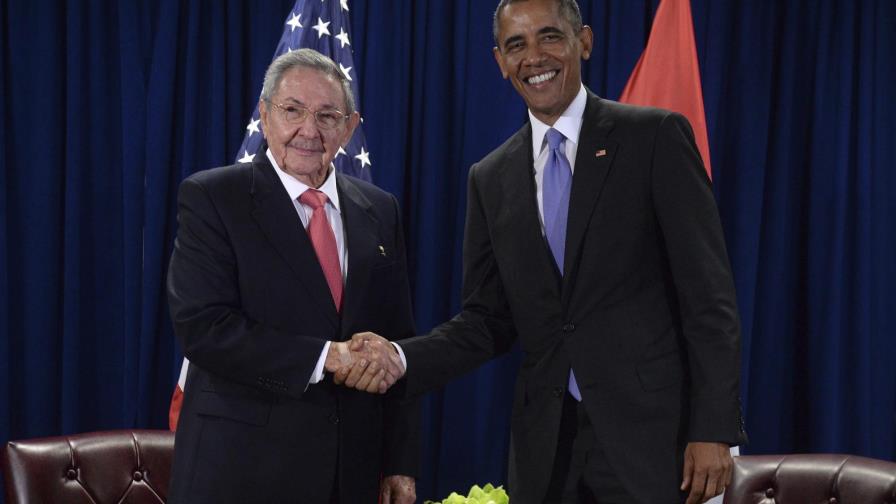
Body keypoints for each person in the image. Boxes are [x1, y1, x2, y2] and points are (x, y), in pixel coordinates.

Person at [339, 1, 747, 503]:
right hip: (547, 453)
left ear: (584, 41)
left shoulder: (653, 137)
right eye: (516, 45)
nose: (534, 57)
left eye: (549, 36)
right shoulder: (490, 178)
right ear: (500, 61)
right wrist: (401, 358)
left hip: (653, 443)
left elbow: (708, 297)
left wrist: (713, 428)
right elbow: (486, 321)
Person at [166, 48, 418, 504]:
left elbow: (396, 340)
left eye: (327, 116)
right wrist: (328, 357)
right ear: (265, 116)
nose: (309, 130)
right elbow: (204, 329)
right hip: (240, 472)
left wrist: (399, 460)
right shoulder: (214, 198)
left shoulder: (381, 210)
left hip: (350, 474)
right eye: (292, 110)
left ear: (349, 127)